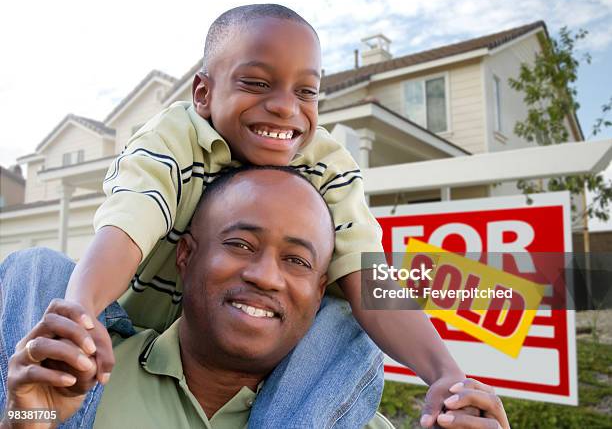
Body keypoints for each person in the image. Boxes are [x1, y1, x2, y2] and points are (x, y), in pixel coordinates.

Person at [61, 4, 462, 426]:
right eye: (256, 83)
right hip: (126, 333)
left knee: (346, 317)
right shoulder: (172, 137)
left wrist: (447, 376)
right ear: (203, 93)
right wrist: (80, 312)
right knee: (39, 270)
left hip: (264, 362)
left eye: (306, 91)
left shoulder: (327, 164)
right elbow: (127, 225)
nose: (285, 108)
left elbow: (371, 278)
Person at [1, 167, 510, 429]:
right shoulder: (70, 380)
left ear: (320, 294)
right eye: (240, 244)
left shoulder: (346, 419)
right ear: (186, 256)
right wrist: (28, 421)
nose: (267, 276)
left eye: (298, 261)